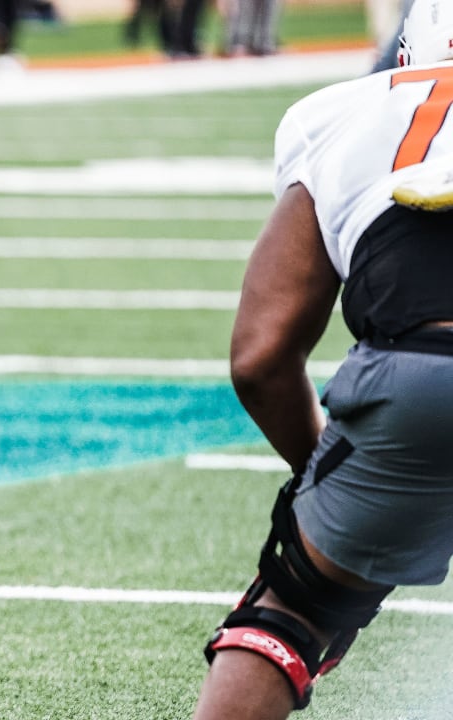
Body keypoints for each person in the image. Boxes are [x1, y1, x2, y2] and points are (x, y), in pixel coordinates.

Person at [192, 0, 453, 716]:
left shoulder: (347, 114)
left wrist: (319, 481)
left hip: (423, 375)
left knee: (290, 611)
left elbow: (261, 355)